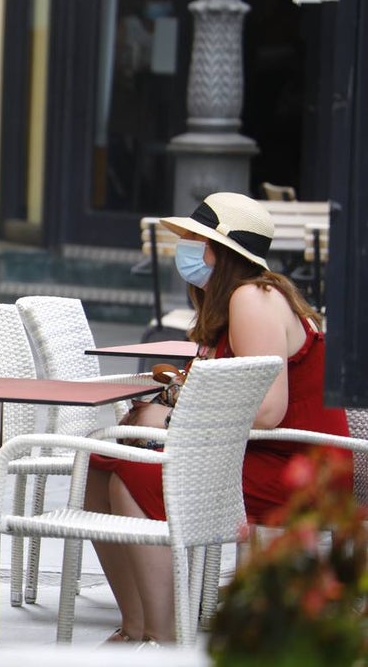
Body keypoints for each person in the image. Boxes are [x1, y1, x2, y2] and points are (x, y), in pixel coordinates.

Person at [86, 191, 352, 645]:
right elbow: (223, 392)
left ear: (221, 251)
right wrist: (166, 411)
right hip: (265, 453)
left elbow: (269, 411)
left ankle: (162, 637)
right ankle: (134, 628)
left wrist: (173, 425)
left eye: (194, 240)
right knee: (100, 467)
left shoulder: (253, 298)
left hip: (299, 467)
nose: (185, 249)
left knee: (135, 476)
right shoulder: (236, 301)